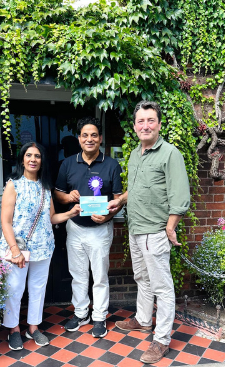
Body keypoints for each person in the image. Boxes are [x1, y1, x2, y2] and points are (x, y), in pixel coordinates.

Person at [107, 101, 190, 364]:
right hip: (136, 229)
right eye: (140, 121)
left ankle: (162, 340)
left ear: (159, 124)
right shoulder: (134, 154)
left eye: (150, 120)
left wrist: (170, 227)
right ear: (134, 126)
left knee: (162, 287)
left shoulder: (170, 154)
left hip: (155, 232)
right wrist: (120, 201)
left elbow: (180, 195)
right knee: (142, 277)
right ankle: (143, 320)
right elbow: (138, 188)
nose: (145, 125)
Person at [0, 142, 81, 350]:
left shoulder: (45, 187)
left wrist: (70, 213)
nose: (33, 159)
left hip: (43, 248)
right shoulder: (13, 184)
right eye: (29, 155)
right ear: (22, 159)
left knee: (37, 288)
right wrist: (15, 250)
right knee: (15, 288)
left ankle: (33, 327)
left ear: (41, 161)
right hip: (18, 249)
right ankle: (13, 329)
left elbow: (52, 217)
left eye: (37, 156)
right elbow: (5, 221)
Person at [54, 117, 123, 338]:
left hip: (101, 230)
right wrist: (67, 197)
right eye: (85, 135)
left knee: (100, 275)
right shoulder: (67, 164)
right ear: (79, 138)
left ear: (100, 139)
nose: (89, 139)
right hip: (75, 228)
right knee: (78, 274)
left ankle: (100, 316)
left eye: (94, 135)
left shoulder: (112, 164)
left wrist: (109, 215)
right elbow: (58, 194)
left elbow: (119, 198)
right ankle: (81, 313)